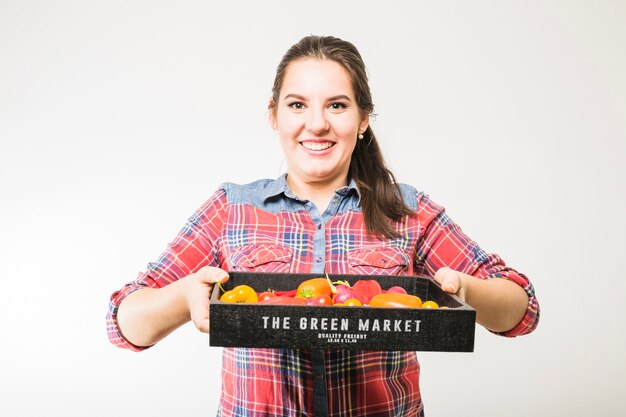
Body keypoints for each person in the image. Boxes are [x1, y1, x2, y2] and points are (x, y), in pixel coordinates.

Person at [107, 35, 539, 417]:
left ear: (363, 119)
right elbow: (123, 323)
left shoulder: (408, 211)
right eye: (297, 105)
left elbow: (522, 310)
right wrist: (184, 297)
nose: (316, 124)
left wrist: (465, 291)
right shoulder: (230, 209)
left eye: (337, 105)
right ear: (274, 116)